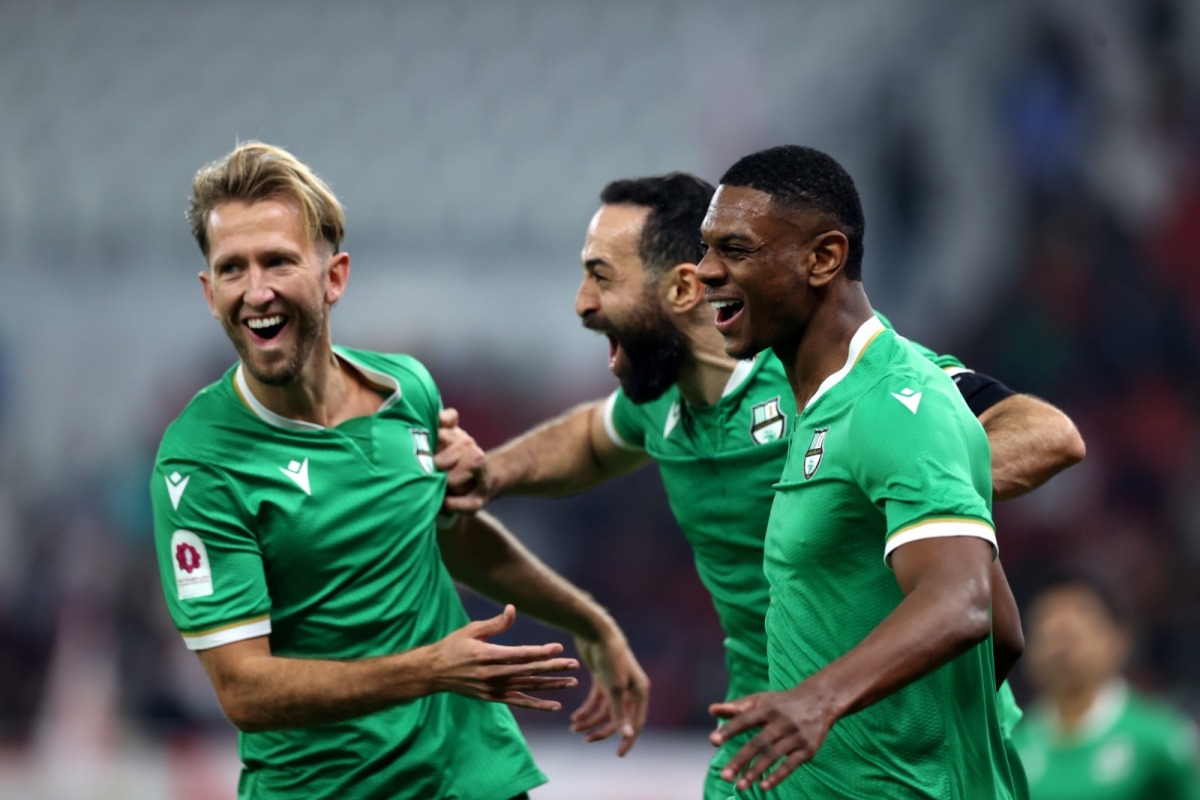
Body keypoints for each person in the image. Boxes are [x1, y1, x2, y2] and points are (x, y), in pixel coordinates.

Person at [441, 170, 1084, 798]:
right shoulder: (661, 400)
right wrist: (493, 472)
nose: (582, 303)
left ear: (684, 288)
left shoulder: (841, 383)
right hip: (765, 726)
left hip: (899, 724)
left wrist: (901, 498)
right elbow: (590, 437)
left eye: (602, 277)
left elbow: (1049, 434)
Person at [149, 141, 648, 800]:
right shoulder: (199, 464)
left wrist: (590, 622)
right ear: (210, 294)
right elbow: (245, 690)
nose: (257, 290)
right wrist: (432, 670)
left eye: (277, 261)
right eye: (233, 269)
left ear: (334, 277)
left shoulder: (408, 388)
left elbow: (454, 537)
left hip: (476, 778)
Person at [684, 143, 1023, 797]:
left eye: (734, 249)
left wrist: (821, 701)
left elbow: (963, 602)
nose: (705, 271)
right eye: (705, 248)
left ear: (824, 258)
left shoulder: (897, 405)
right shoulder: (811, 400)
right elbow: (1004, 632)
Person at [1013, 572, 1200, 799]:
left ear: (1119, 639)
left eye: (1072, 634)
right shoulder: (1011, 748)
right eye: (1049, 632)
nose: (1061, 648)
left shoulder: (1162, 739)